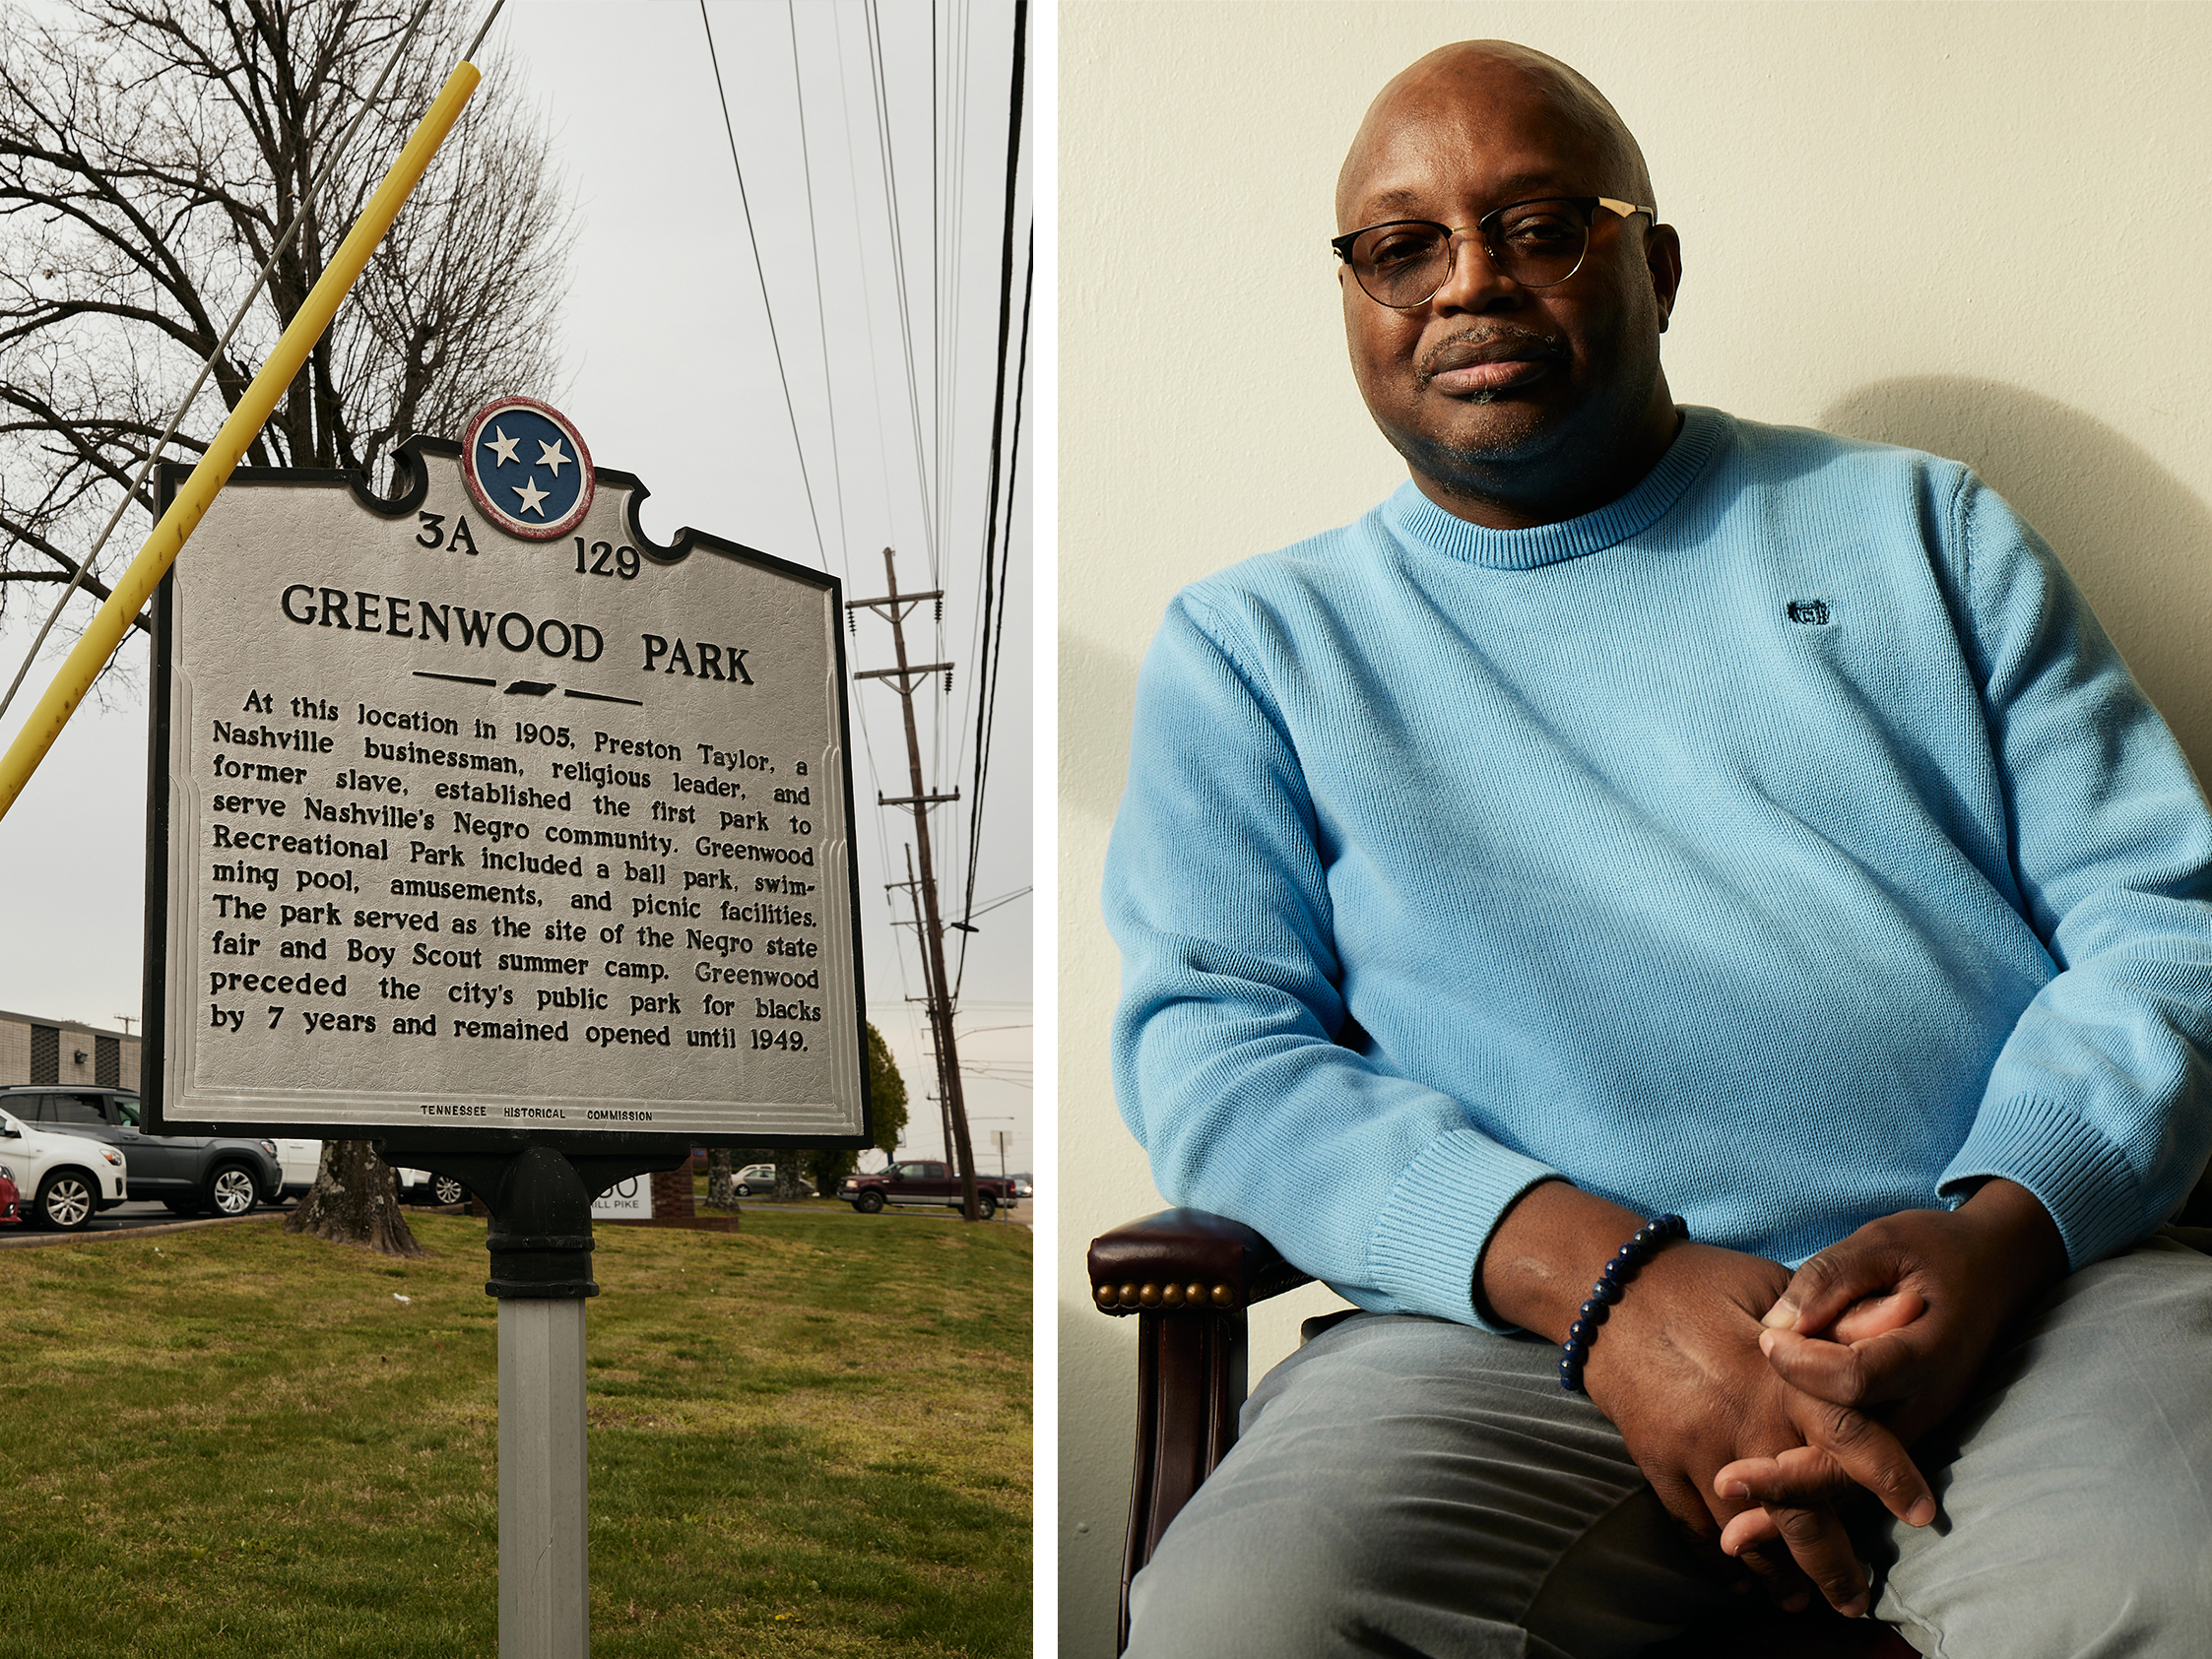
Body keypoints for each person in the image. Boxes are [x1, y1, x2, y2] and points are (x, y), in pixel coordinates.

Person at [1101, 38, 2212, 1658]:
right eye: (1398, 247)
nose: (1466, 282)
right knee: (1247, 1619)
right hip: (1506, 1348)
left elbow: (2165, 927)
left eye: (1538, 223)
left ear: (1657, 265)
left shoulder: (1925, 530)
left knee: (2159, 1595)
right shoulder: (1253, 648)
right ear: (1350, 297)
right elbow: (1210, 1051)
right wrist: (1605, 1285)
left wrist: (2000, 1230)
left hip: (2032, 1294)